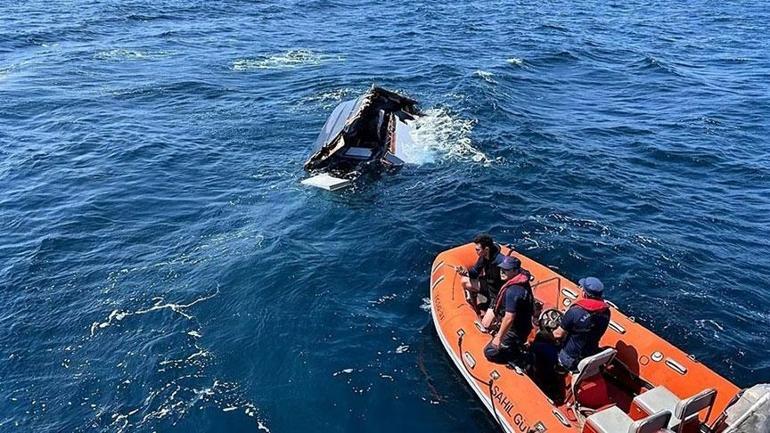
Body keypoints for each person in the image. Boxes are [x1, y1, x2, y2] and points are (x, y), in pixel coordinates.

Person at [483, 256, 535, 365]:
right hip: (524, 325)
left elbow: (509, 317)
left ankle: (519, 358)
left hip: (515, 331)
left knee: (489, 352)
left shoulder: (513, 291)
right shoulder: (523, 281)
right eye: (502, 269)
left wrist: (499, 337)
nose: (502, 271)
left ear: (516, 271)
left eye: (506, 270)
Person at [552, 277, 611, 371]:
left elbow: (558, 334)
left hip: (570, 359)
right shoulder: (606, 312)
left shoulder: (574, 312)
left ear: (584, 293)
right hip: (589, 354)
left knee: (542, 346)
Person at [457, 234, 505, 317]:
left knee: (486, 324)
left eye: (478, 250)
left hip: (497, 293)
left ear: (486, 249)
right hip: (488, 285)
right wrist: (465, 272)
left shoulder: (501, 261)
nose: (476, 252)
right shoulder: (483, 257)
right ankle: (476, 309)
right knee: (464, 281)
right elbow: (475, 272)